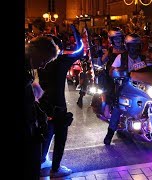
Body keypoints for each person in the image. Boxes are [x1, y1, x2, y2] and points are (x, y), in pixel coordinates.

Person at [38, 25, 84, 178]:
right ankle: (56, 169)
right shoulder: (61, 61)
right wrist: (77, 33)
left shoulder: (41, 62)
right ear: (57, 48)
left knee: (47, 133)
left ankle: (42, 160)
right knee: (60, 137)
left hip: (44, 105)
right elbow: (81, 50)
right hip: (58, 105)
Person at [23, 36, 59, 180]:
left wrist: (40, 113)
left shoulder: (28, 67)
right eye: (44, 60)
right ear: (35, 51)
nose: (43, 66)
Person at [103, 33, 146, 145]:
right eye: (132, 45)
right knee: (118, 107)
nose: (134, 48)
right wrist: (120, 71)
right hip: (125, 87)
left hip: (142, 88)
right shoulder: (121, 57)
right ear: (127, 46)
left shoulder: (143, 57)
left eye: (137, 45)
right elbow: (111, 71)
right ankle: (110, 133)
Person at [95, 27, 126, 119]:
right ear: (111, 40)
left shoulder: (126, 49)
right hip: (111, 74)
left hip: (124, 73)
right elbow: (100, 62)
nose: (117, 40)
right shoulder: (110, 49)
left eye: (119, 38)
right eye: (115, 38)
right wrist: (99, 55)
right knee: (109, 88)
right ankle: (106, 108)